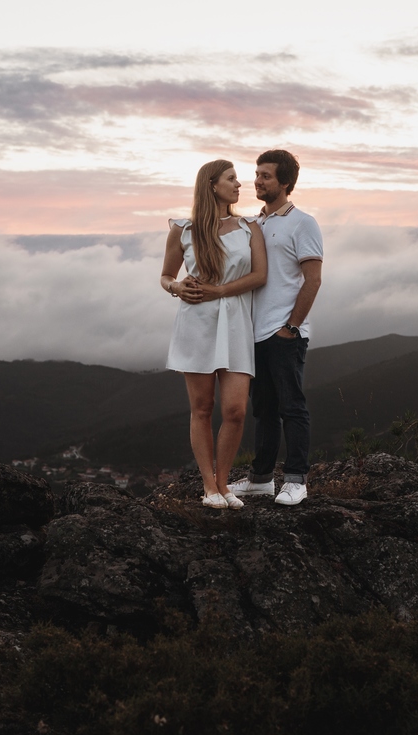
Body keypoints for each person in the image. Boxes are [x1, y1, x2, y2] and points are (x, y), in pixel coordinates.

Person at [161, 160, 268, 509]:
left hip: (235, 320)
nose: (240, 185)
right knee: (203, 408)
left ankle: (224, 483)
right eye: (231, 179)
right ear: (211, 185)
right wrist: (177, 287)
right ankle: (210, 486)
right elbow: (165, 276)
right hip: (197, 321)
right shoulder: (183, 229)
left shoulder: (249, 226)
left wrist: (221, 292)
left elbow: (259, 276)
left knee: (235, 409)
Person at [229, 150, 323, 506]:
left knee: (292, 406)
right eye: (257, 174)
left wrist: (291, 327)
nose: (257, 181)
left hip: (284, 333)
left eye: (266, 176)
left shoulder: (303, 222)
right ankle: (262, 479)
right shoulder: (257, 223)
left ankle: (297, 479)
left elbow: (312, 280)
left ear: (285, 182)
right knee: (263, 409)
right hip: (253, 333)